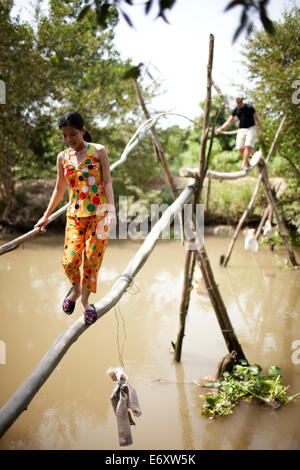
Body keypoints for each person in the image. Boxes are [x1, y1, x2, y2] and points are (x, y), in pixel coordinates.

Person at [35, 111, 116, 324]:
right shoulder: (63, 157)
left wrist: (112, 210)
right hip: (75, 216)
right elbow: (60, 188)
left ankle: (86, 303)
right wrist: (46, 216)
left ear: (83, 130)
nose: (69, 140)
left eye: (73, 134)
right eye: (65, 135)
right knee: (70, 261)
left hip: (99, 215)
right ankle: (76, 289)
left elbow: (107, 182)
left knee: (91, 260)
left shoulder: (98, 151)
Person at [215, 94, 263, 169]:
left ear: (242, 100)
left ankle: (244, 164)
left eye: (239, 102)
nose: (238, 103)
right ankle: (247, 162)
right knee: (240, 147)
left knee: (248, 146)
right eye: (237, 102)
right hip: (241, 129)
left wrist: (260, 130)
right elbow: (229, 121)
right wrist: (221, 128)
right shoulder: (236, 110)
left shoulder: (249, 107)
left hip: (251, 128)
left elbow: (258, 118)